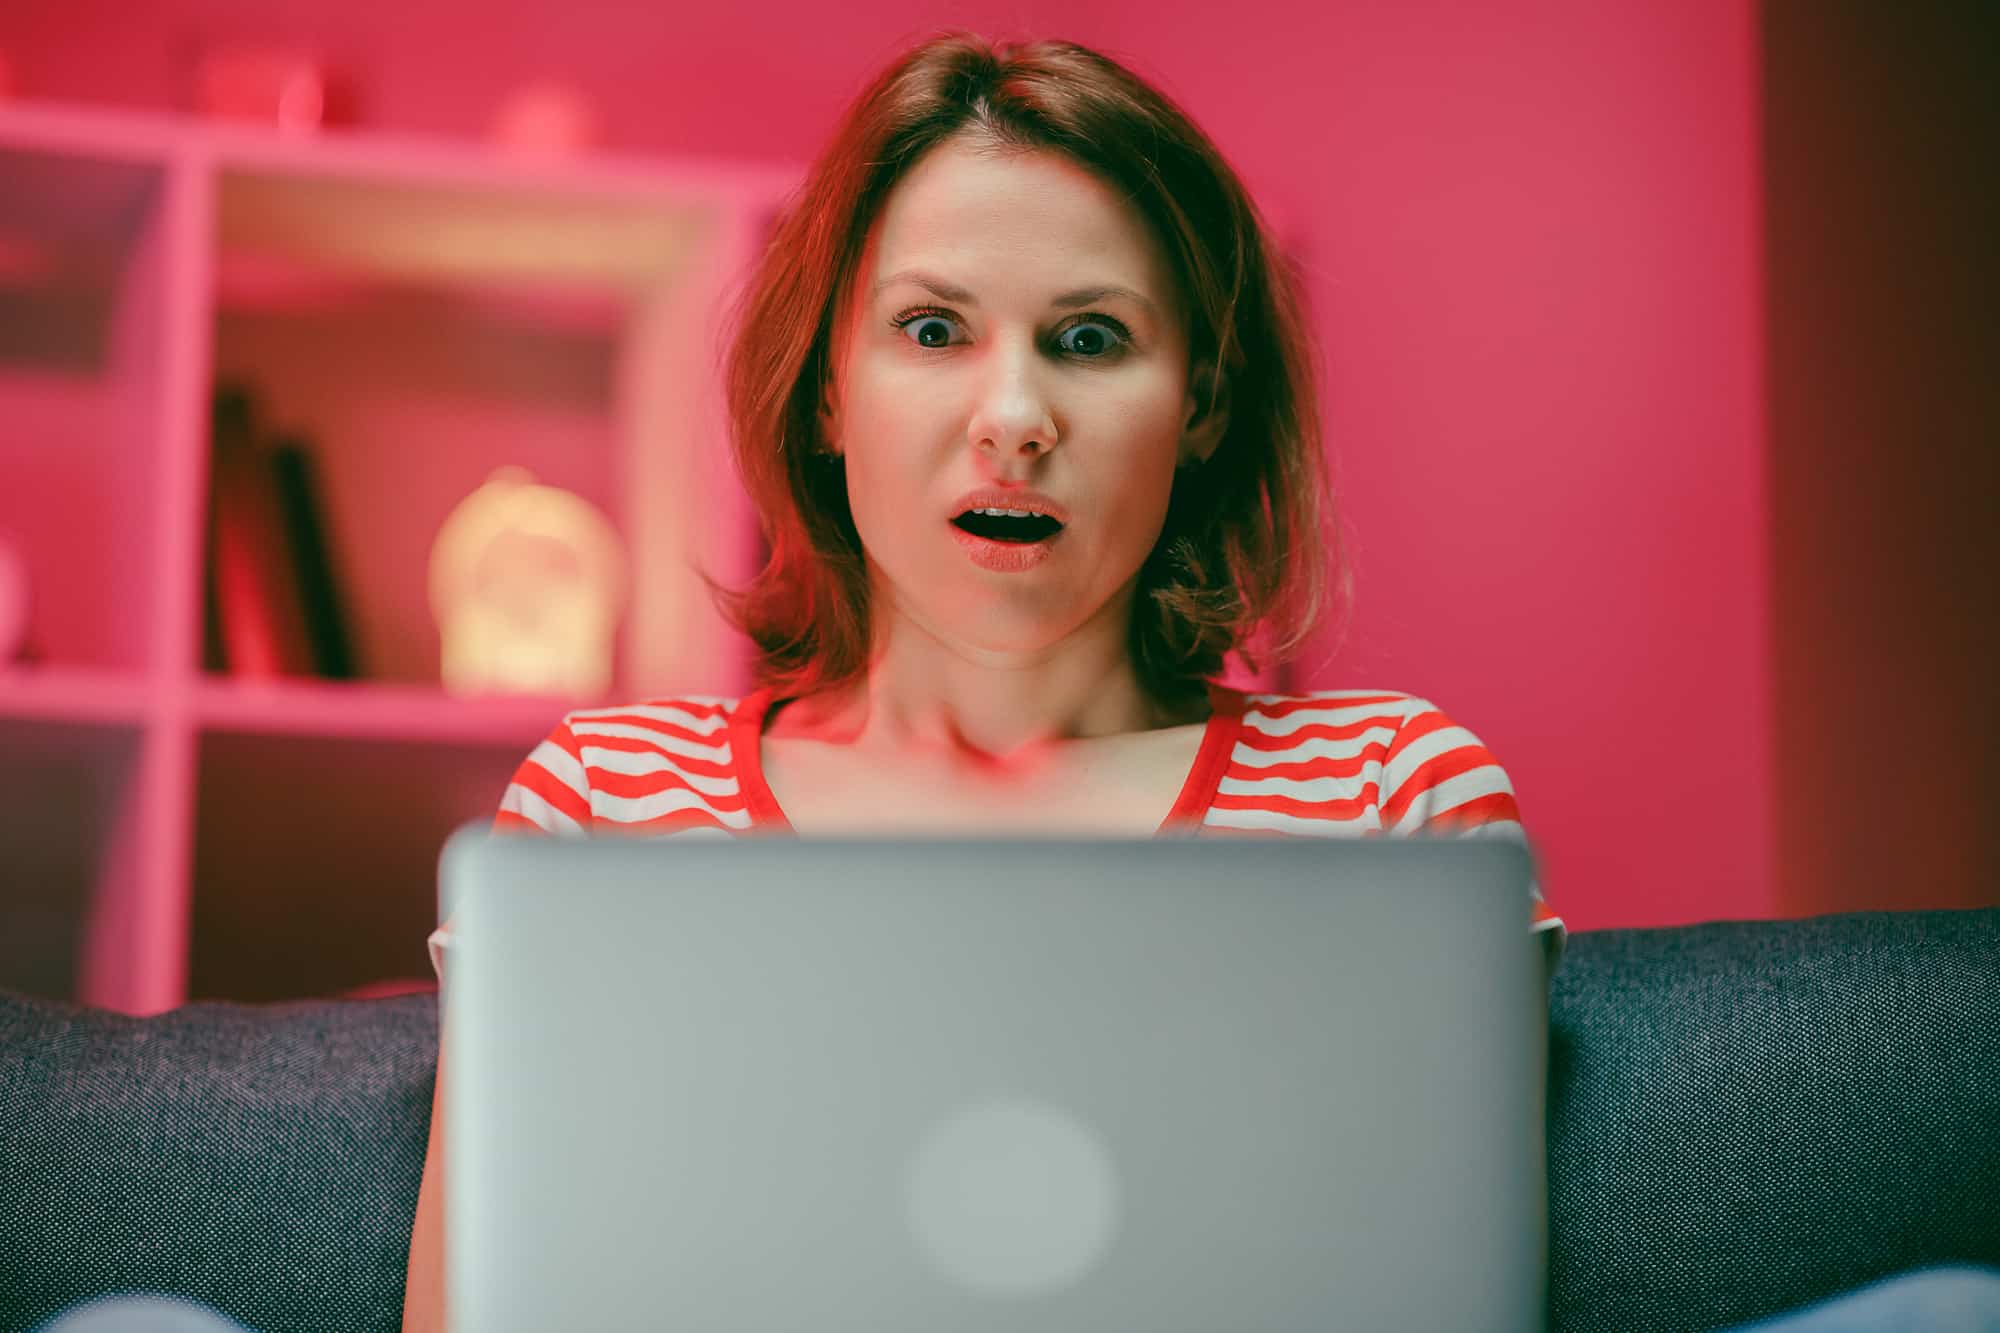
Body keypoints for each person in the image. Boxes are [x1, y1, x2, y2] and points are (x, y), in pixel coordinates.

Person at [399, 31, 1998, 1333]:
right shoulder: (606, 803)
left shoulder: (1395, 791)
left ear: (1204, 400)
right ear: (828, 387)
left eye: (1090, 340)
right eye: (934, 328)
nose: (1013, 414)